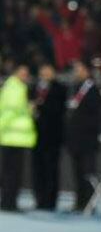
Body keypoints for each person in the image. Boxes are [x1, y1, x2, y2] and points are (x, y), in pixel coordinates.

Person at [65, 60, 101, 213]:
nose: (76, 72)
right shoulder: (75, 88)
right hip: (75, 139)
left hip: (87, 140)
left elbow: (97, 115)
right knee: (77, 172)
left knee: (87, 172)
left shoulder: (93, 90)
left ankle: (88, 204)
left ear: (87, 71)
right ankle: (79, 202)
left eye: (79, 69)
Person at [32, 63, 68, 210]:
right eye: (43, 71)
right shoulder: (35, 88)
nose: (45, 73)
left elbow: (57, 110)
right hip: (36, 135)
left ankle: (50, 201)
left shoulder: (60, 88)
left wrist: (39, 106)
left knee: (51, 169)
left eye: (48, 71)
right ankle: (39, 199)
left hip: (53, 136)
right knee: (37, 168)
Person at [0, 64, 36, 212]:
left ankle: (7, 201)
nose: (25, 75)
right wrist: (29, 109)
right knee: (13, 172)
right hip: (14, 136)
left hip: (9, 136)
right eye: (23, 72)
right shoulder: (17, 88)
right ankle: (10, 203)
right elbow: (12, 110)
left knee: (8, 171)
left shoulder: (10, 86)